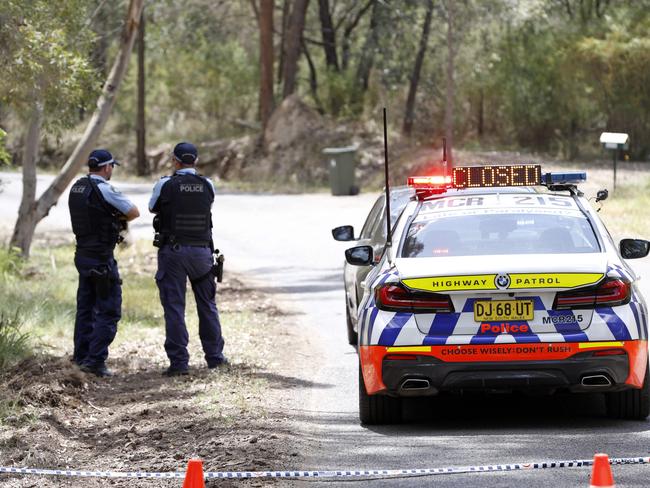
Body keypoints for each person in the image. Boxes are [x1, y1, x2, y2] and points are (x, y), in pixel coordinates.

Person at [149, 142, 226, 376]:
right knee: (207, 305)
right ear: (196, 160)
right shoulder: (207, 184)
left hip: (174, 252)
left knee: (174, 307)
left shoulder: (165, 184)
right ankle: (215, 358)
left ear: (175, 160)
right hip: (202, 253)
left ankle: (179, 363)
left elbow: (153, 208)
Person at [68, 149, 140, 377]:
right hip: (101, 259)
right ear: (107, 167)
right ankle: (96, 361)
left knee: (85, 308)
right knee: (109, 310)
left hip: (83, 255)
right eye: (112, 166)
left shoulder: (76, 188)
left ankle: (81, 357)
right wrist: (117, 218)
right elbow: (133, 212)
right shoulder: (104, 189)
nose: (112, 170)